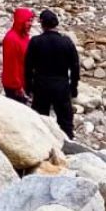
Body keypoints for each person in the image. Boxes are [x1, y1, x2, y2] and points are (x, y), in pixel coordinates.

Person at [23, 9, 80, 138]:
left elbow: (28, 67)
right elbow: (75, 67)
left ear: (42, 24)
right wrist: (74, 87)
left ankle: (40, 143)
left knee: (40, 120)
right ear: (56, 24)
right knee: (65, 121)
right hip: (61, 86)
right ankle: (68, 144)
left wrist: (28, 87)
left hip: (41, 85)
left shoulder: (36, 41)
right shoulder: (66, 42)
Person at [0, 7, 34, 104]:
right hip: (14, 85)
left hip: (23, 80)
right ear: (21, 21)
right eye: (28, 21)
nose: (30, 24)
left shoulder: (24, 36)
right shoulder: (11, 39)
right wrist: (18, 86)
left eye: (31, 21)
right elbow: (11, 65)